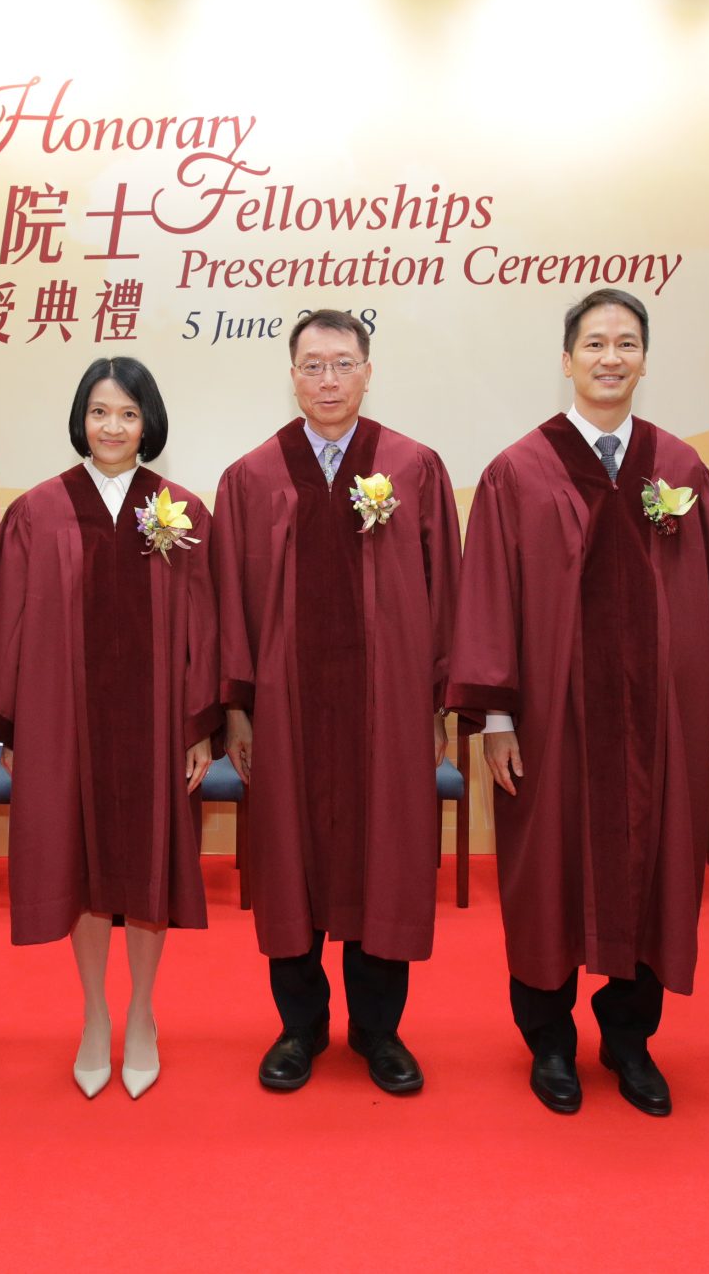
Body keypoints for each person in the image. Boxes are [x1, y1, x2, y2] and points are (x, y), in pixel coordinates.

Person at [445, 290, 709, 1116]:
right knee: (547, 880)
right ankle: (551, 1042)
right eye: (596, 343)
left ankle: (631, 1040)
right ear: (566, 359)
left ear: (645, 359)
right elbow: (489, 597)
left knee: (654, 873)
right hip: (551, 726)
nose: (611, 357)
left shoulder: (678, 469)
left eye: (627, 343)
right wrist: (497, 718)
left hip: (655, 727)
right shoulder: (517, 471)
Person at [0, 358, 220, 1100]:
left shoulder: (183, 511)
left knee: (150, 865)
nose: (113, 427)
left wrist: (199, 727)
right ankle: (96, 1014)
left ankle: (142, 1014)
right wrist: (11, 732)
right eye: (100, 412)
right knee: (83, 868)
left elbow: (206, 628)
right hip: (65, 725)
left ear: (149, 422)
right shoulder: (38, 511)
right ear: (80, 419)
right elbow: (5, 622)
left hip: (156, 727)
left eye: (128, 413)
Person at [212, 309, 461, 1095]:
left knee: (384, 857)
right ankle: (300, 1026)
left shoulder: (413, 468)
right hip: (285, 713)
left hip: (387, 712)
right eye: (313, 365)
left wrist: (437, 704)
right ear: (291, 375)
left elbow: (446, 596)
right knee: (290, 860)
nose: (328, 379)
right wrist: (237, 707)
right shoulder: (252, 478)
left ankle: (379, 1031)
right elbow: (231, 604)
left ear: (368, 372)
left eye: (343, 363)